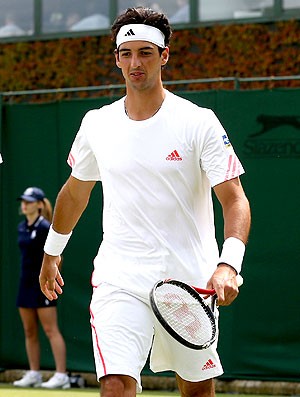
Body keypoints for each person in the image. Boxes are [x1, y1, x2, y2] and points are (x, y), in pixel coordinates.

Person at [39, 6, 251, 397]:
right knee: (116, 385)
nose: (135, 63)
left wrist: (228, 265)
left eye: (146, 53)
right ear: (117, 59)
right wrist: (52, 252)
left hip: (190, 282)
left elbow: (235, 199)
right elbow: (75, 191)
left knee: (197, 393)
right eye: (126, 54)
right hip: (119, 278)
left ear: (164, 56)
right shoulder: (96, 124)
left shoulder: (199, 121)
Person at [13, 187, 70, 389]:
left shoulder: (46, 227)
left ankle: (61, 375)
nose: (25, 204)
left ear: (39, 204)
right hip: (24, 284)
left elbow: (57, 256)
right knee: (29, 331)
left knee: (50, 329)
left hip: (43, 284)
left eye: (29, 201)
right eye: (23, 201)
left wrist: (51, 278)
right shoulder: (22, 227)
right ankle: (34, 373)